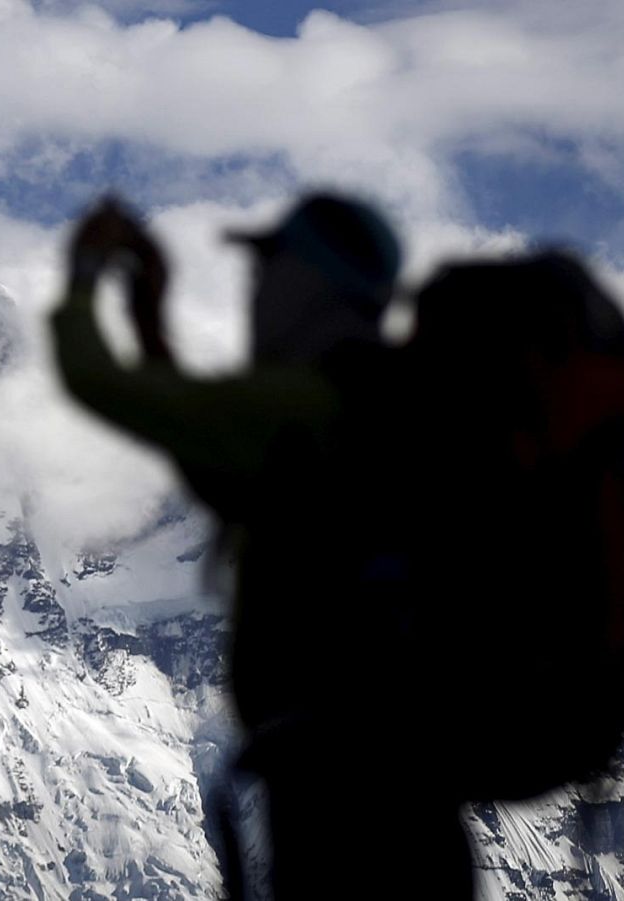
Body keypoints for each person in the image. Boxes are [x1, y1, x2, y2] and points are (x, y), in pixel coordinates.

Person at [51, 194, 476, 899]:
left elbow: (99, 381)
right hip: (420, 806)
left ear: (306, 282)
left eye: (267, 270)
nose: (254, 289)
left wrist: (87, 272)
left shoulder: (295, 405)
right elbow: (210, 466)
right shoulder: (395, 415)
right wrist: (150, 319)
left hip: (333, 801)